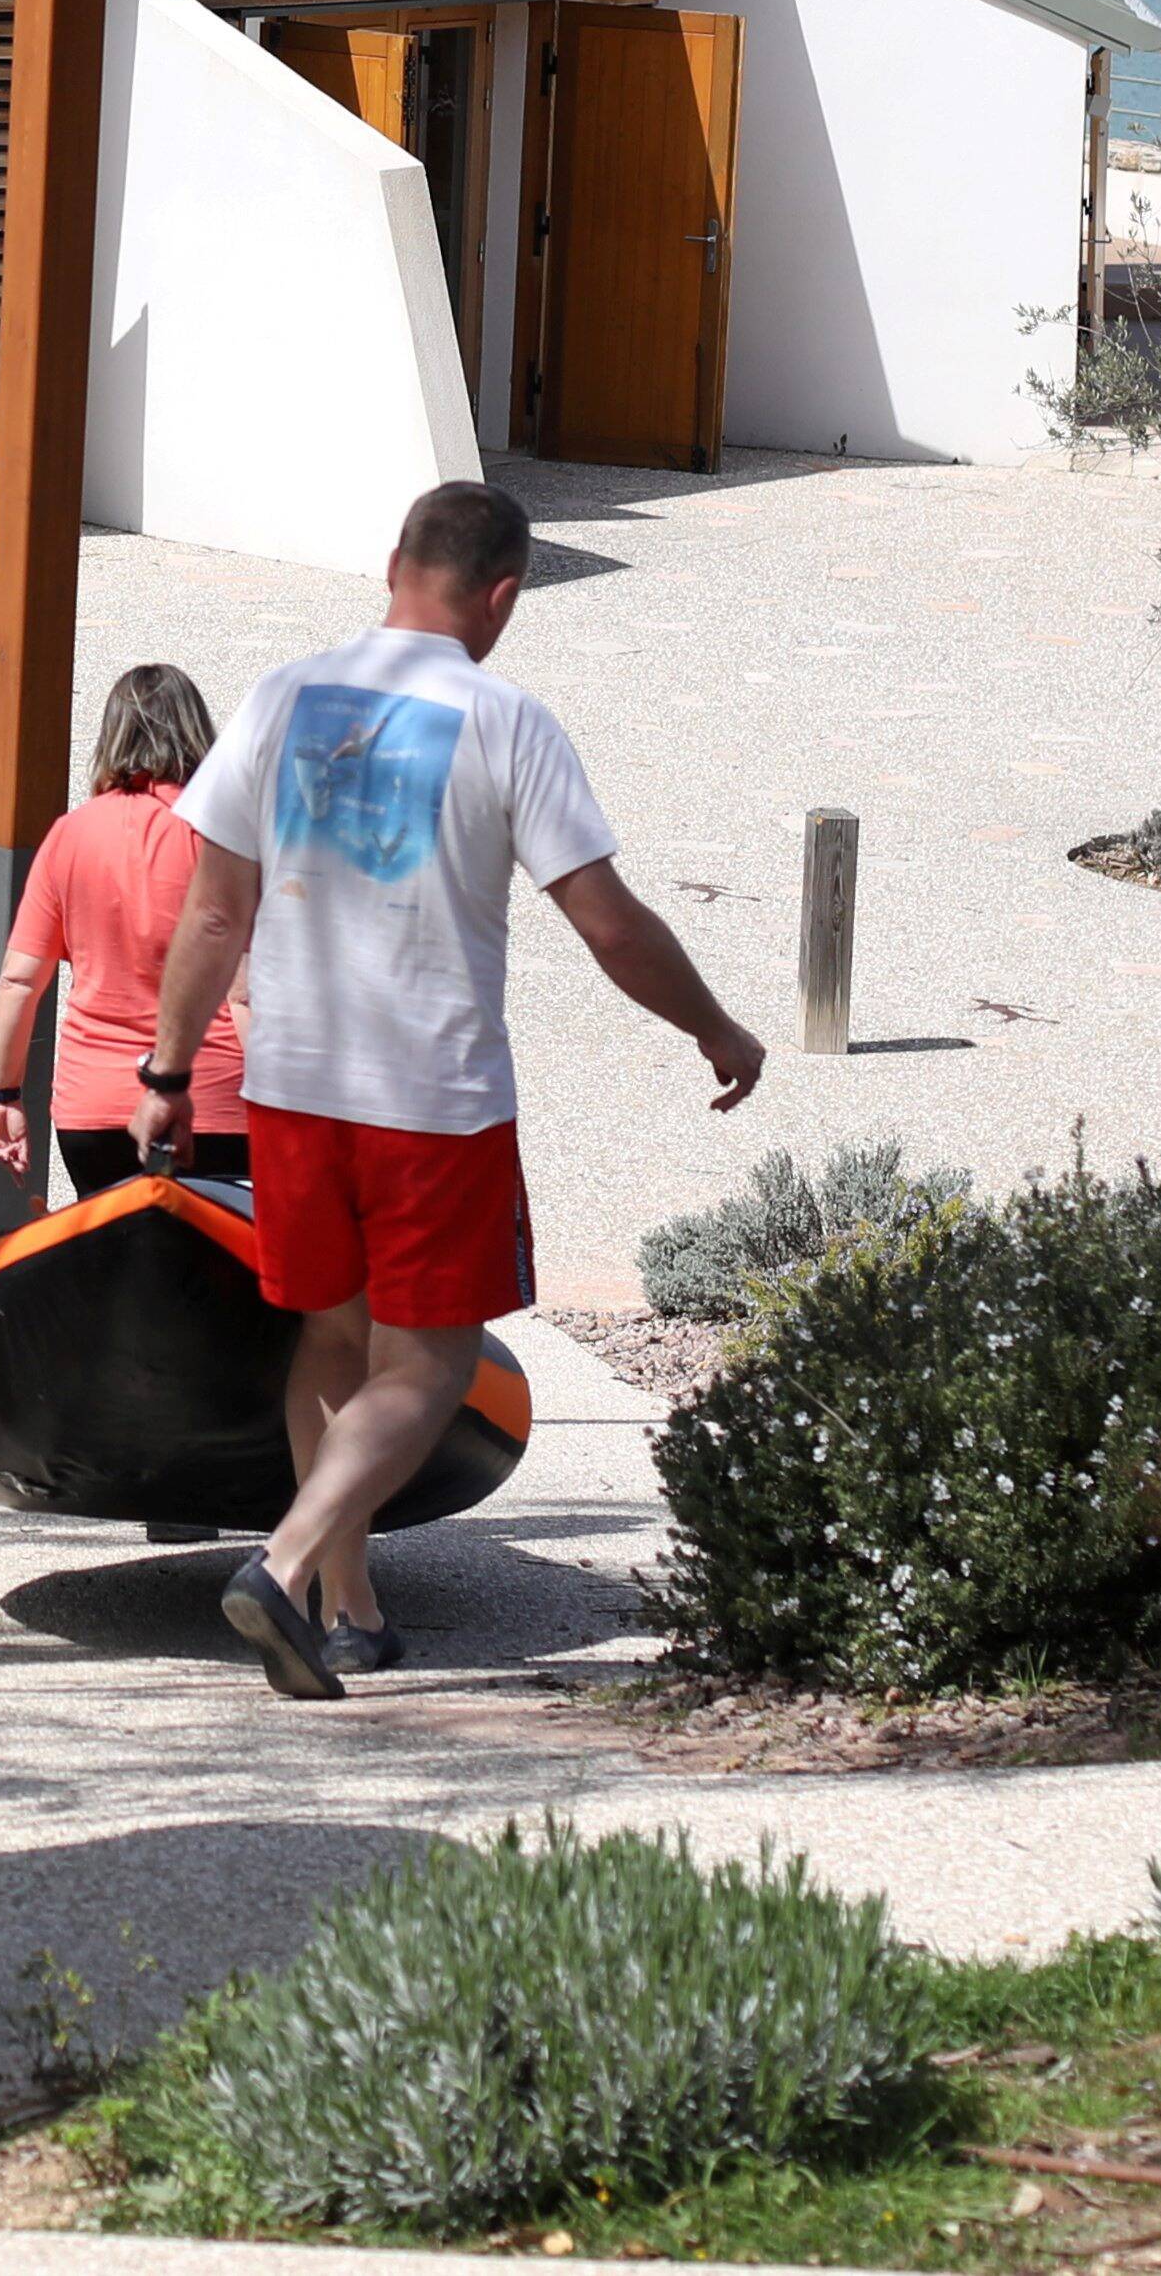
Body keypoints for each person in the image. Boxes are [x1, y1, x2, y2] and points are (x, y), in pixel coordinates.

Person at [129, 479, 763, 1697]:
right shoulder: (507, 720)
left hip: (292, 1087)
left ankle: (348, 1610)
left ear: (390, 563)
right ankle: (284, 1563)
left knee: (330, 1334)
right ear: (504, 593)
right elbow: (609, 924)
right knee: (427, 1362)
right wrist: (713, 1026)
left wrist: (166, 1070)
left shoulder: (277, 697)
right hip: (431, 1098)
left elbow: (213, 911)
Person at [0, 663, 247, 1190]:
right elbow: (245, 995)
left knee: (116, 1264)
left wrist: (3, 1096)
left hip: (94, 1110)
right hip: (214, 1100)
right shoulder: (222, 835)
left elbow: (18, 981)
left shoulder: (70, 834)